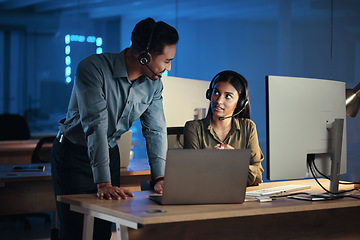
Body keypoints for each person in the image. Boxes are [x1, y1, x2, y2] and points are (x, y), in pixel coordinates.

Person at [51, 17, 179, 239]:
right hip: (74, 155)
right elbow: (95, 125)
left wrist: (160, 178)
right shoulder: (93, 68)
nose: (168, 67)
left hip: (109, 154)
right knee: (76, 233)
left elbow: (155, 130)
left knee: (102, 231)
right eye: (166, 60)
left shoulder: (154, 83)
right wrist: (104, 182)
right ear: (145, 55)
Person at [183, 70, 264, 186]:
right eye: (216, 93)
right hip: (205, 197)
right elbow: (194, 174)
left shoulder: (248, 127)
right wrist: (236, 166)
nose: (219, 100)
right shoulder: (194, 128)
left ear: (239, 103)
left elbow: (257, 176)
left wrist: (234, 159)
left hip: (239, 197)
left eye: (228, 96)